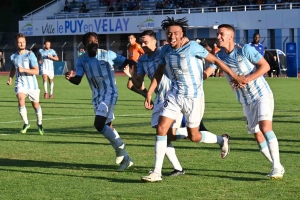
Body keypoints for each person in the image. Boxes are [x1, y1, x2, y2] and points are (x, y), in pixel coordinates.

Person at [141, 17, 247, 182]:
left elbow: (216, 60)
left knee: (194, 136)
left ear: (182, 33)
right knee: (161, 129)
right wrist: (149, 92)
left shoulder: (193, 47)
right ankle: (156, 172)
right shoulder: (165, 51)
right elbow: (159, 71)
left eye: (176, 33)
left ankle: (222, 139)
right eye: (169, 33)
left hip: (194, 98)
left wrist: (235, 76)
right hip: (174, 95)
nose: (172, 36)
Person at [210, 24, 284, 180]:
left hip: (261, 94)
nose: (218, 37)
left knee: (265, 128)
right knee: (257, 135)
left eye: (221, 34)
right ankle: (276, 165)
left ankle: (277, 166)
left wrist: (246, 79)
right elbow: (208, 71)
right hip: (245, 101)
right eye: (217, 34)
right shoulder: (219, 57)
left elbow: (265, 66)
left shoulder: (245, 50)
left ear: (231, 36)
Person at [65, 32, 135, 171]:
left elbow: (127, 62)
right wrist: (70, 78)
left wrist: (136, 70)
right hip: (97, 96)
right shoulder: (82, 60)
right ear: (84, 44)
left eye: (95, 41)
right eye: (90, 41)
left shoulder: (108, 54)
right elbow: (78, 80)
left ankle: (120, 149)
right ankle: (126, 158)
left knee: (98, 124)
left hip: (110, 92)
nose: (93, 43)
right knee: (108, 125)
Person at [124, 30, 189, 177]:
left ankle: (194, 134)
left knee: (166, 134)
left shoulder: (163, 53)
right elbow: (138, 83)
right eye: (142, 42)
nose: (143, 45)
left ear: (155, 42)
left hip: (173, 96)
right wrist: (132, 76)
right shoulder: (142, 60)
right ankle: (177, 168)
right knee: (161, 133)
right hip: (160, 98)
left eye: (146, 42)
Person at [6, 33, 44, 135]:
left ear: (25, 42)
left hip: (32, 85)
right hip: (20, 84)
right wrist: (10, 78)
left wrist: (24, 70)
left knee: (35, 105)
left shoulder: (30, 55)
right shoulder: (13, 56)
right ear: (16, 43)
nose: (22, 44)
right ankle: (26, 123)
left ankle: (39, 123)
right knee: (20, 100)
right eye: (19, 42)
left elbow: (36, 71)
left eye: (23, 42)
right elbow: (13, 68)